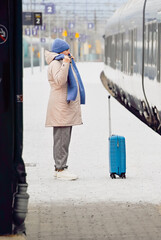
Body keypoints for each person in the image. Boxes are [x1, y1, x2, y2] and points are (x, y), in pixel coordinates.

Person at [45, 38, 85, 181]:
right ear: (60, 51)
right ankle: (60, 168)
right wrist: (66, 64)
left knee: (64, 139)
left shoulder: (62, 61)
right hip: (60, 107)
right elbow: (60, 81)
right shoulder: (56, 63)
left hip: (64, 107)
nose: (69, 51)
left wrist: (68, 62)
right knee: (61, 139)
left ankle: (60, 168)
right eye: (67, 49)